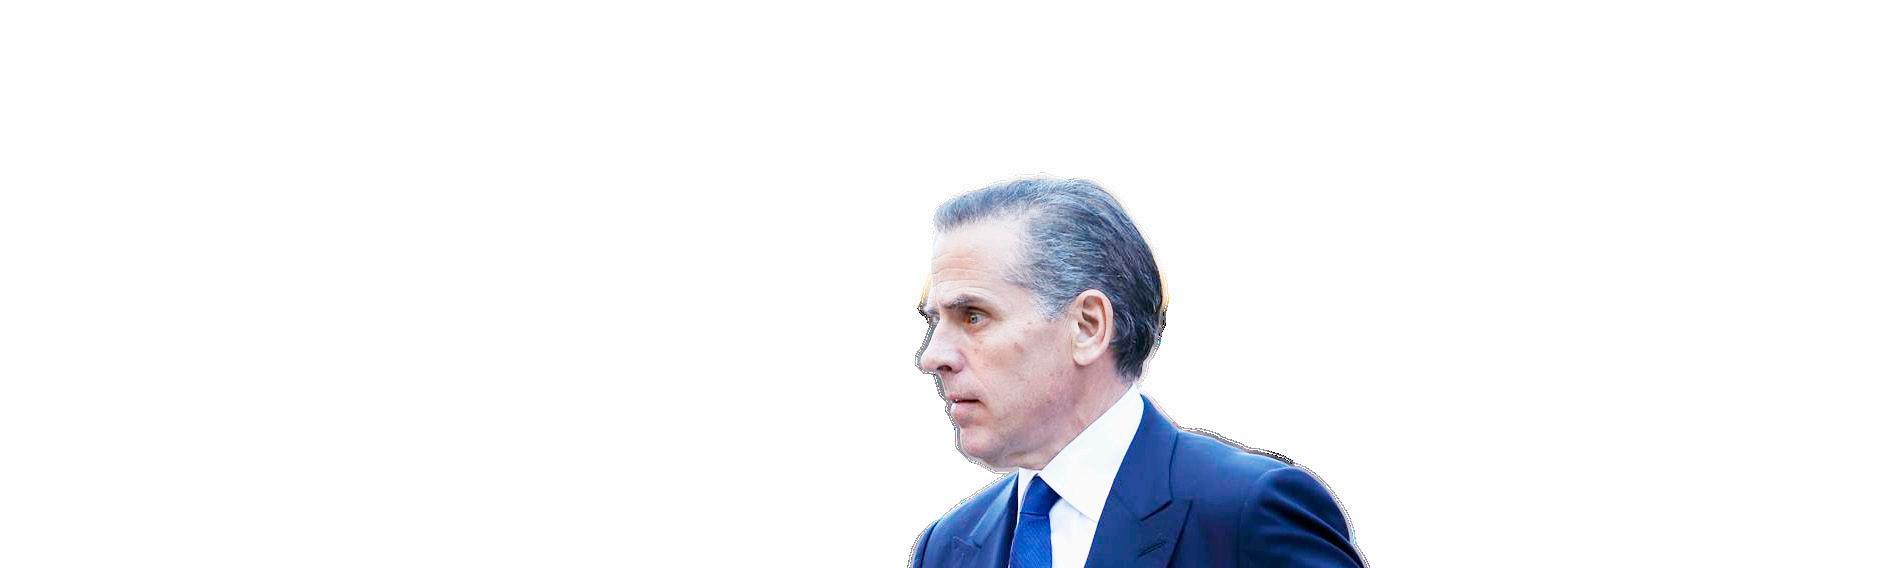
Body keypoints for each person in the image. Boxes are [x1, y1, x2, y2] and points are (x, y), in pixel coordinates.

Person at [910, 177, 1365, 568]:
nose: (932, 356)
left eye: (973, 316)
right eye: (934, 321)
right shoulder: (947, 547)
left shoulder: (1246, 513)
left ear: (1088, 326)